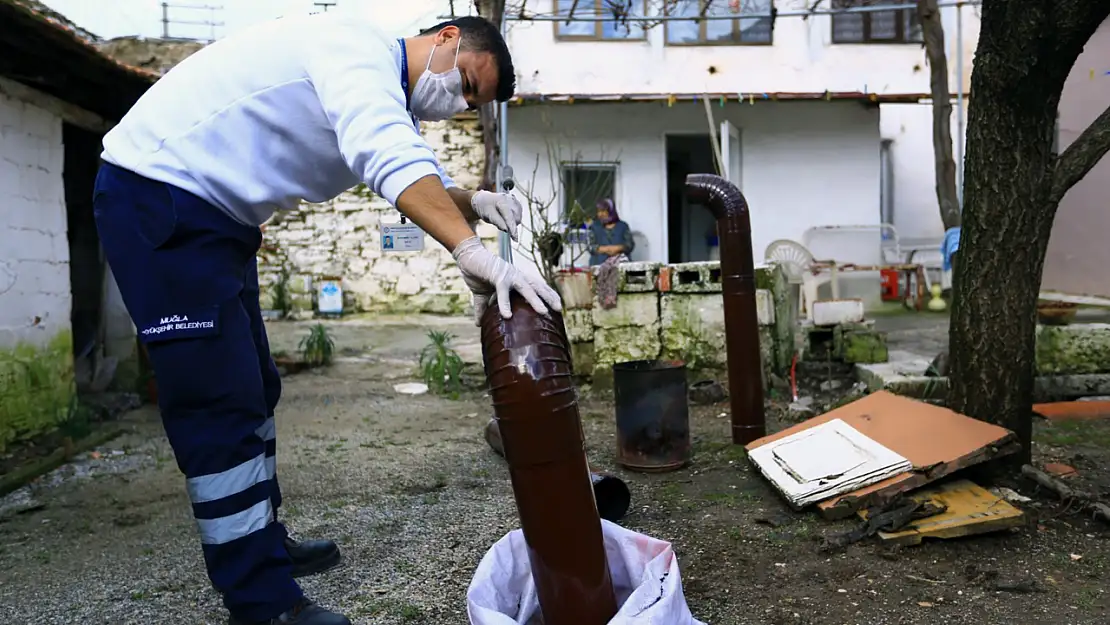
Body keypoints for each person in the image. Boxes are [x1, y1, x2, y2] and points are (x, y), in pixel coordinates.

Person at [91, 9, 560, 625]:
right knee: (217, 404)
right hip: (160, 199)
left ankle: (259, 540)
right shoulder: (353, 46)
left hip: (214, 219)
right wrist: (469, 252)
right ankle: (260, 601)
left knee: (256, 386)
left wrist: (472, 201)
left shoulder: (379, 86)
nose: (458, 104)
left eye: (471, 105)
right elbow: (383, 153)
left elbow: (407, 163)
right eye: (468, 84)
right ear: (447, 38)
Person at [588, 198, 635, 266]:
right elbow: (590, 247)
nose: (600, 214)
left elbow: (630, 245)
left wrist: (618, 248)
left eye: (603, 211)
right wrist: (607, 249)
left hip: (620, 265)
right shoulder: (594, 227)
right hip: (598, 266)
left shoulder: (623, 226)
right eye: (598, 211)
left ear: (611, 211)